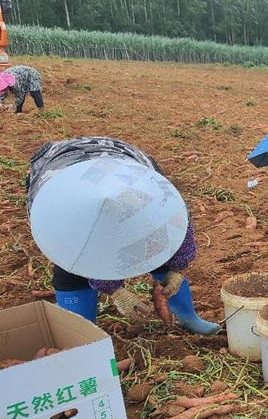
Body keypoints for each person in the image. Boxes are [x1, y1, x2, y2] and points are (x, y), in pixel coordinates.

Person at [26, 136, 220, 335]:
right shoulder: (58, 210)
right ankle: (82, 335)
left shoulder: (154, 194)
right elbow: (81, 255)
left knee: (160, 244)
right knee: (71, 268)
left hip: (118, 159)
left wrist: (179, 269)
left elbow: (178, 222)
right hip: (60, 168)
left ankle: (187, 316)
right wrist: (115, 290)